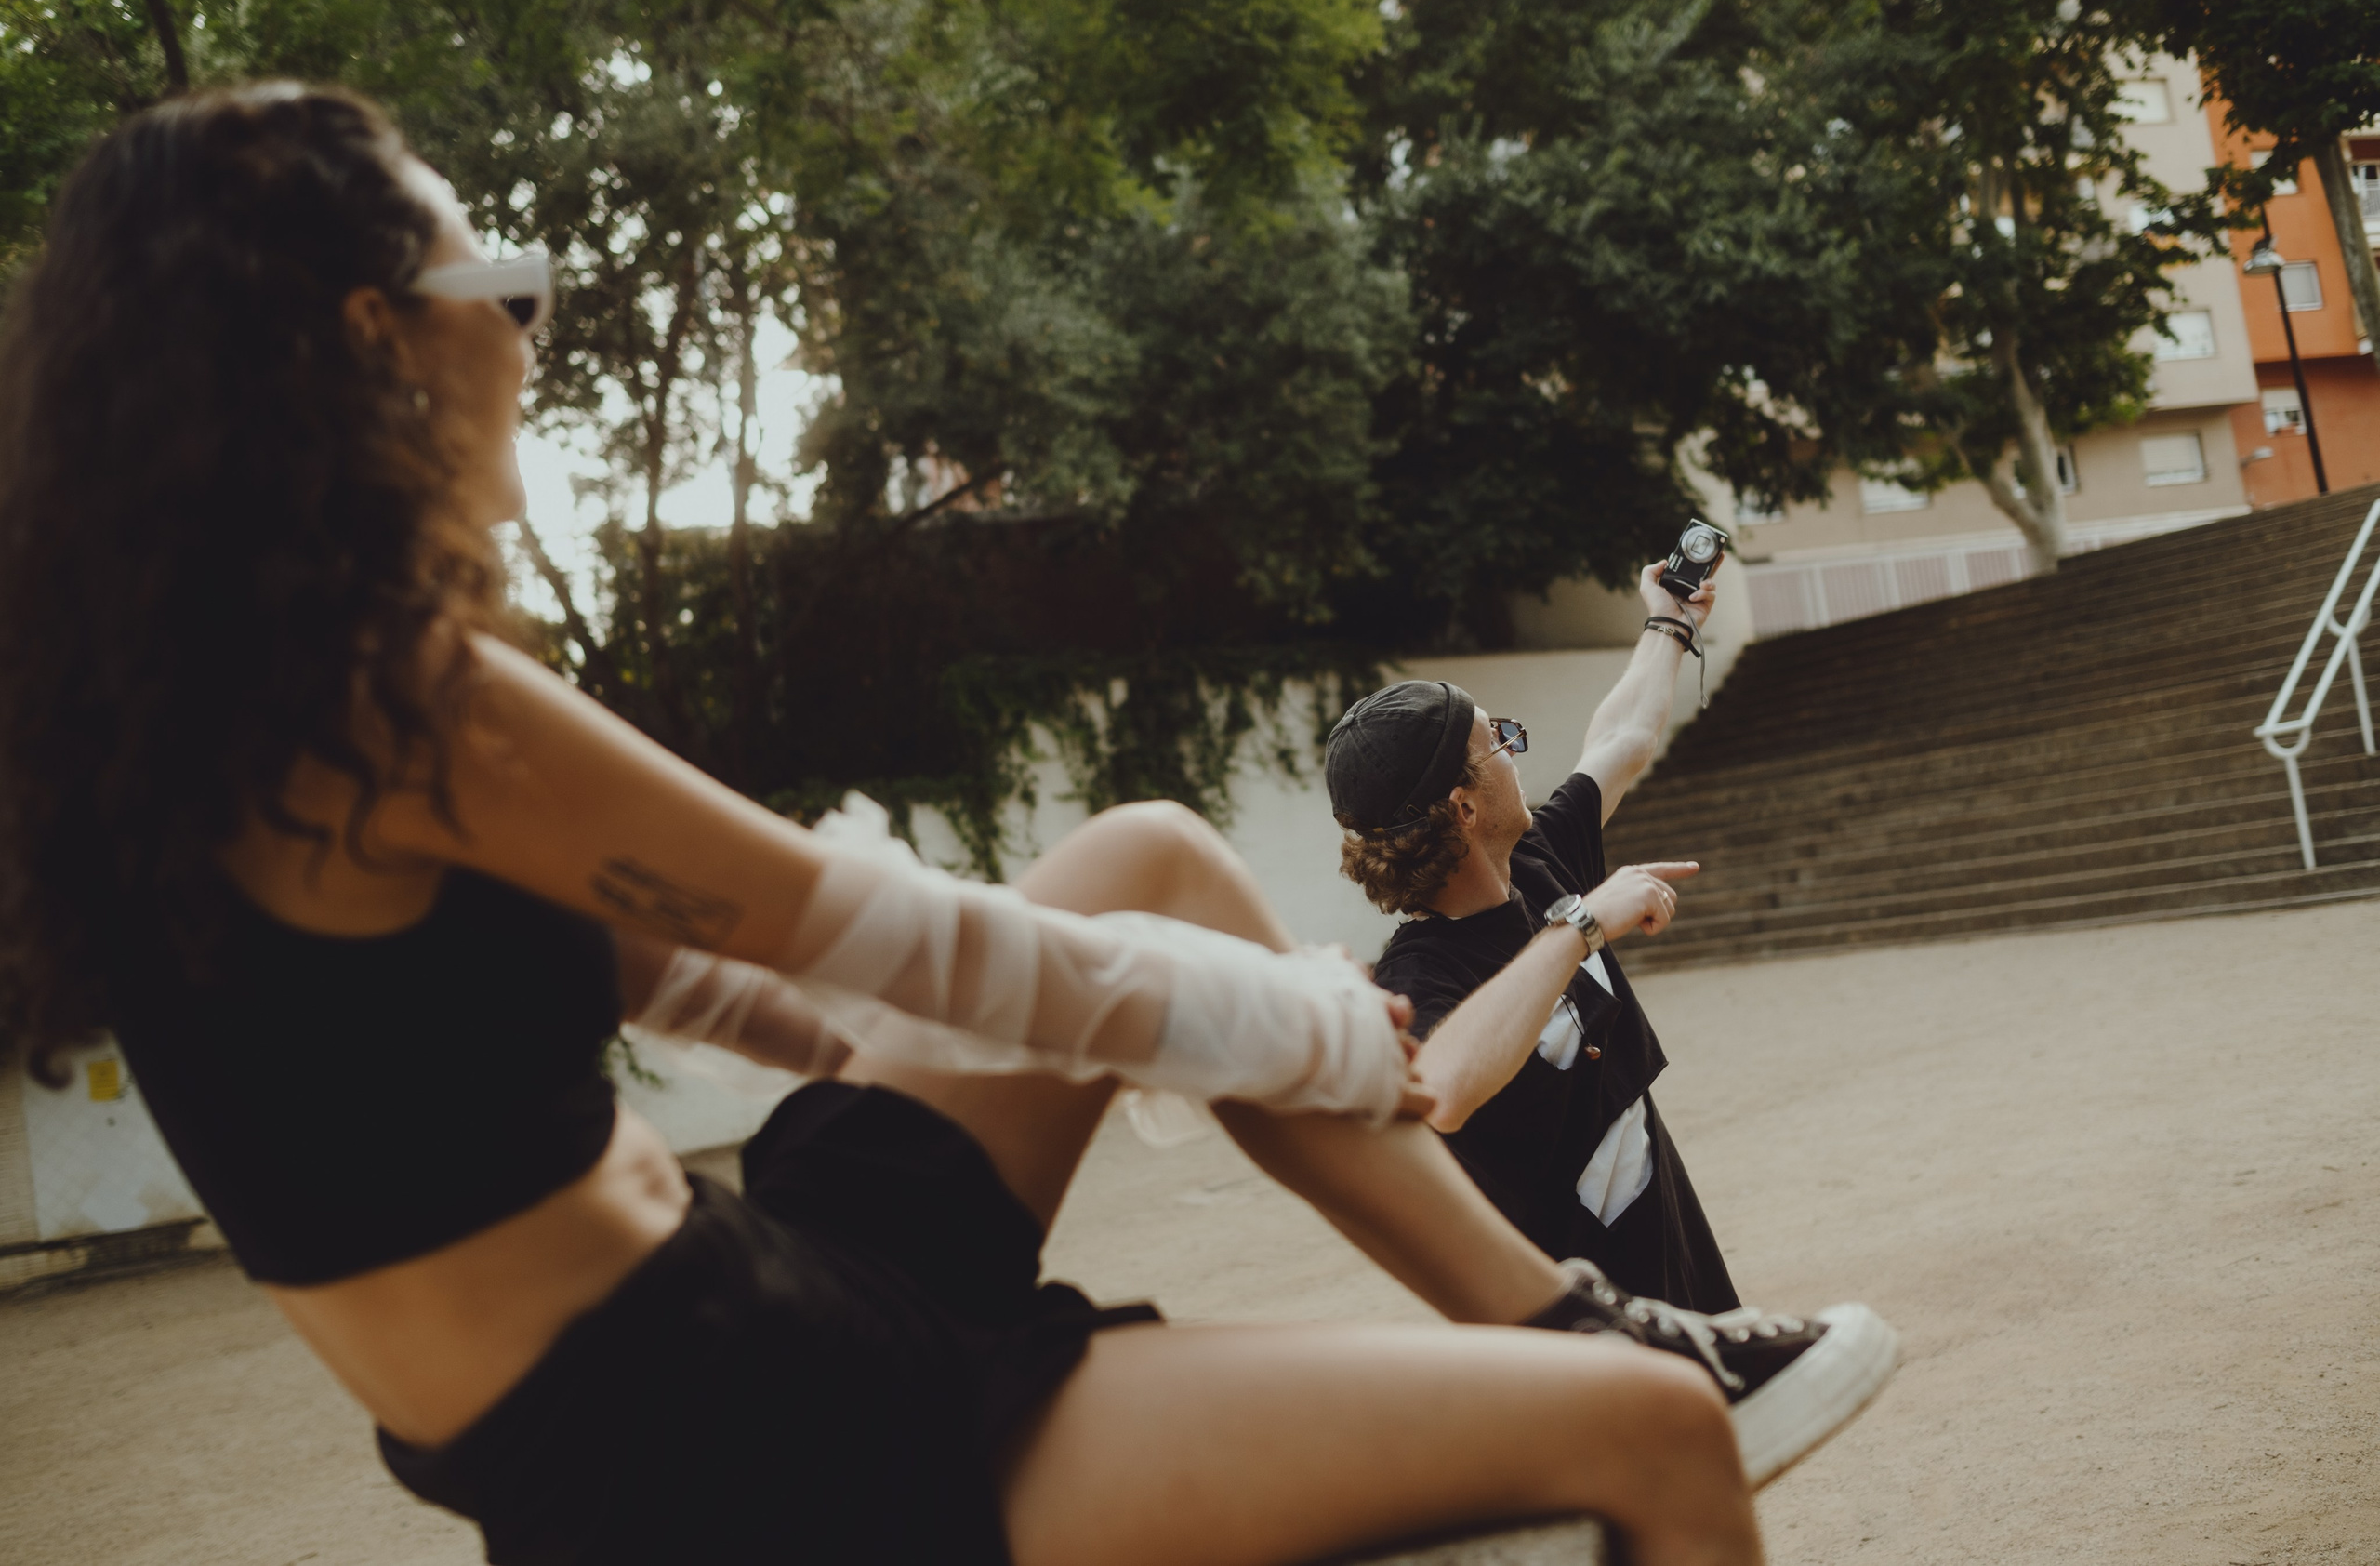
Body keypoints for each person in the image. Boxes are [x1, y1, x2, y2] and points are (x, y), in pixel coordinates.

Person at [0, 84, 1869, 1566]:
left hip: (720, 1320)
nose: (531, 338)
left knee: (1146, 851)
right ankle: (1611, 1363)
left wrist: (952, 1071)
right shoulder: (395, 691)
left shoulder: (185, 729)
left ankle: (1560, 1314)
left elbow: (710, 976)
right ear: (372, 339)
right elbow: (877, 932)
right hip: (736, 1442)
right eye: (508, 290)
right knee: (1656, 1447)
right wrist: (1294, 1026)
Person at [1327, 572, 1752, 1314]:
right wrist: (1581, 928)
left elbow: (1622, 739)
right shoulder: (1418, 977)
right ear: (1463, 806)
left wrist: (1671, 621)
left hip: (1684, 1290)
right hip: (1584, 1336)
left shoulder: (1537, 861)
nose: (1515, 750)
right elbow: (1439, 1090)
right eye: (1498, 742)